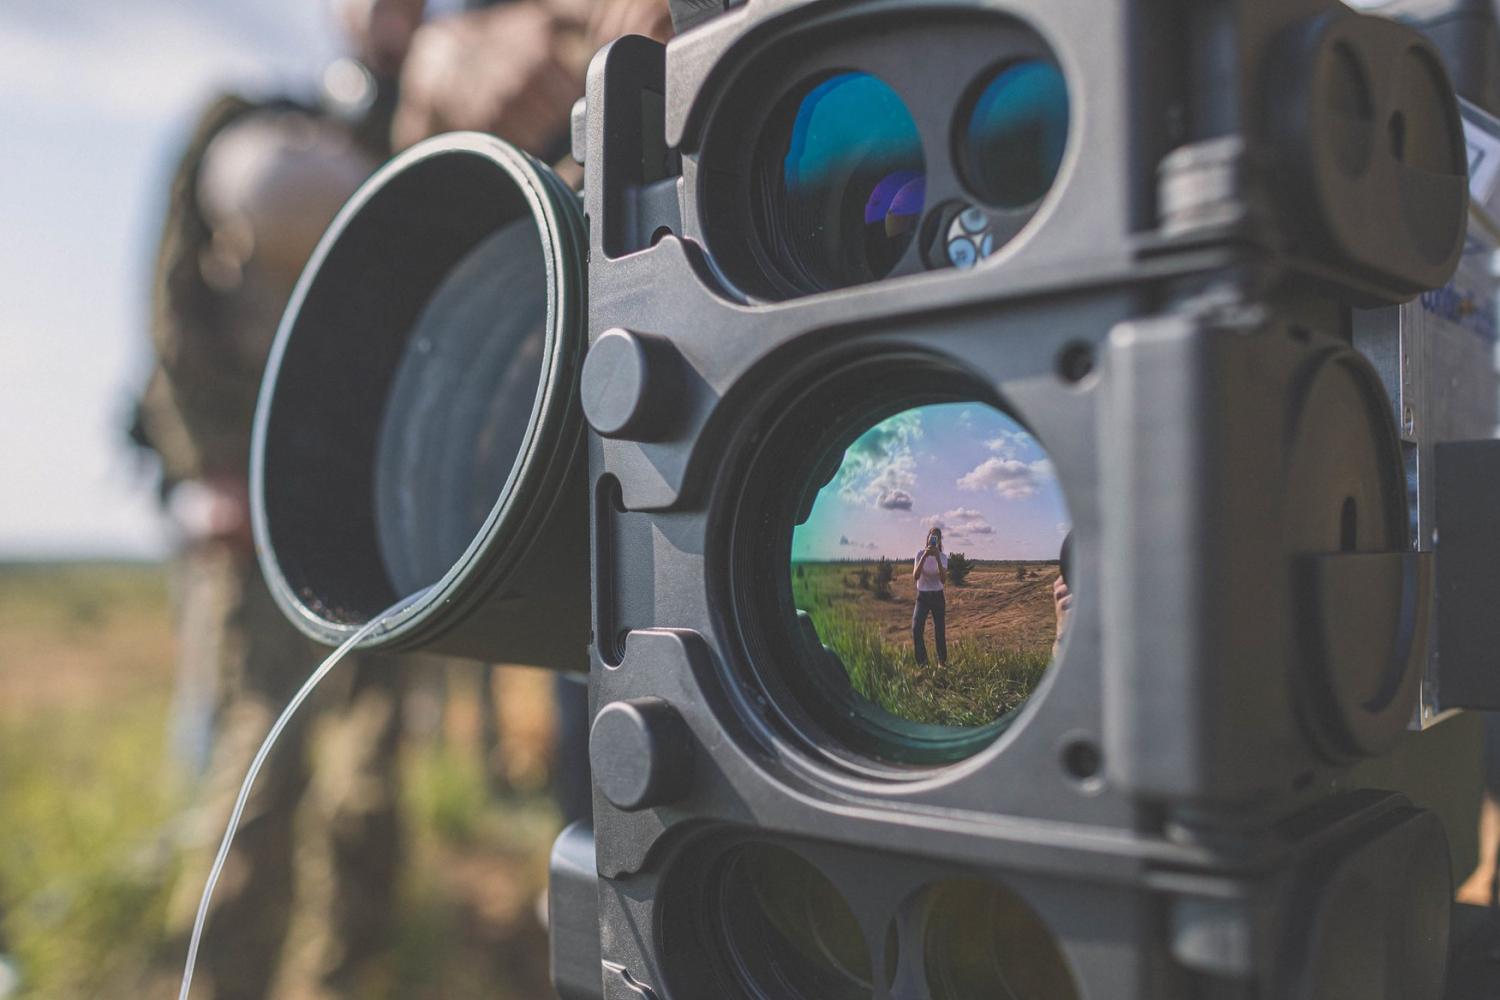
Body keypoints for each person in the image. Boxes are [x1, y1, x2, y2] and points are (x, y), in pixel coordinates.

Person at [132, 3, 425, 996]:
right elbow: (171, 296)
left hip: (370, 502)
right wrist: (208, 460)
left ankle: (338, 978)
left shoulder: (418, 128)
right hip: (250, 501)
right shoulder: (243, 123)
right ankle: (211, 981)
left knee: (367, 789)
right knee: (256, 769)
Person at [912, 528, 948, 667]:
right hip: (923, 596)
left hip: (938, 596)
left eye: (936, 537)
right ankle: (923, 664)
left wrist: (937, 557)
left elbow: (943, 579)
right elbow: (915, 576)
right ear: (927, 538)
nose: (933, 539)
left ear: (939, 541)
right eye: (931, 536)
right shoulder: (919, 554)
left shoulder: (943, 557)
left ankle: (942, 663)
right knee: (916, 628)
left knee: (939, 630)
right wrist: (925, 557)